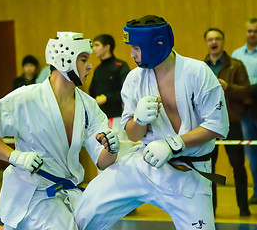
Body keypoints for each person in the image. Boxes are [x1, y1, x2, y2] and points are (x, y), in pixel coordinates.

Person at [74, 15, 229, 230]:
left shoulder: (198, 72)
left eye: (136, 47)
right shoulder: (134, 79)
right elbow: (133, 135)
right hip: (144, 165)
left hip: (189, 175)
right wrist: (139, 120)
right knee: (86, 209)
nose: (132, 54)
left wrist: (172, 144)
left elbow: (217, 126)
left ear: (157, 44)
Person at [0, 32, 119, 230]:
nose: (90, 65)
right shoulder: (26, 98)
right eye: (83, 59)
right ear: (65, 61)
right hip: (32, 193)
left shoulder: (88, 106)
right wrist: (15, 157)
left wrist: (111, 149)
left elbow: (102, 161)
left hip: (67, 193)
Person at [204, 28, 251, 216]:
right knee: (208, 168)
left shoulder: (236, 65)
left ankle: (244, 209)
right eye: (210, 39)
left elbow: (247, 93)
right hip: (208, 126)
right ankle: (210, 210)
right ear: (206, 43)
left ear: (223, 41)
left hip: (232, 122)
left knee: (238, 166)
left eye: (217, 38)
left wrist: (228, 87)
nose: (214, 42)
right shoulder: (200, 67)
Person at [89, 34, 133, 158]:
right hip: (101, 120)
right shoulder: (97, 70)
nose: (94, 49)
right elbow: (92, 93)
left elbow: (128, 92)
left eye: (97, 45)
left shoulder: (120, 66)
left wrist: (107, 98)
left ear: (107, 47)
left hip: (118, 118)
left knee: (121, 154)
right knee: (102, 154)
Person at [232, 18, 257, 205]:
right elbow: (236, 85)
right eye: (250, 31)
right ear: (245, 32)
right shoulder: (237, 55)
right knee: (251, 153)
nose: (252, 34)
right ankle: (256, 191)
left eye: (255, 31)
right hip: (245, 111)